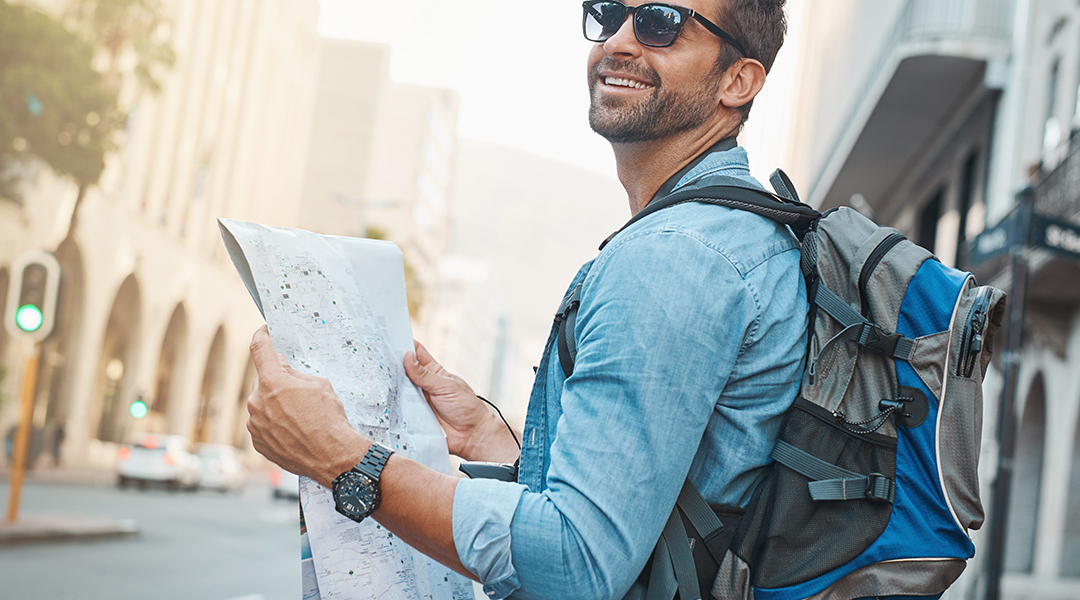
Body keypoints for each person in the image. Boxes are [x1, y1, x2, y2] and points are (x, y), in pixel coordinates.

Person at [244, 1, 800, 598]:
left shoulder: (675, 256)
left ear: (737, 81)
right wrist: (489, 434)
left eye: (659, 22)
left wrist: (342, 459)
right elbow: (658, 504)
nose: (618, 41)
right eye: (609, 13)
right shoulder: (730, 232)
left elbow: (576, 563)